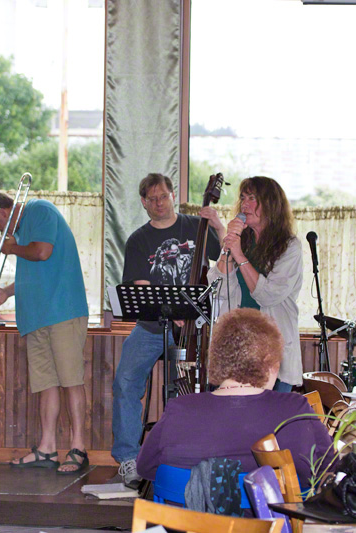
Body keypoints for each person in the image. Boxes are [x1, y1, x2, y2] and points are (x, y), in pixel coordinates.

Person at [136, 308, 334, 487]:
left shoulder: (179, 408)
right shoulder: (295, 409)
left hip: (186, 523)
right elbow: (328, 470)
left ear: (217, 358)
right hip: (266, 525)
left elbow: (145, 468)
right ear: (269, 362)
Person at [113, 173, 223, 487]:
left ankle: (190, 457)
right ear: (144, 203)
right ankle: (128, 459)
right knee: (126, 381)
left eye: (163, 196)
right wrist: (171, 309)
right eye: (151, 199)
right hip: (152, 327)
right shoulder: (138, 239)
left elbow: (223, 259)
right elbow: (140, 285)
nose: (159, 203)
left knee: (187, 389)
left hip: (195, 330)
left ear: (173, 195)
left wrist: (216, 223)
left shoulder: (195, 226)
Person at [0, 186, 89, 474]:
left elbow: (42, 252)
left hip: (62, 311)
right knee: (45, 384)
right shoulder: (21, 233)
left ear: (0, 212)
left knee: (71, 380)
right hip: (36, 317)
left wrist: (11, 248)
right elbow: (33, 271)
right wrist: (6, 293)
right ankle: (47, 449)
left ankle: (79, 448)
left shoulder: (39, 210)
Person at [207, 176, 303, 392]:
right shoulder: (241, 240)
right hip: (239, 348)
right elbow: (219, 288)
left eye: (252, 198)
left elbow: (269, 294)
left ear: (270, 204)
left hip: (273, 351)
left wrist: (239, 255)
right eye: (242, 198)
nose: (244, 205)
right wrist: (229, 246)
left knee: (272, 422)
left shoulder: (289, 247)